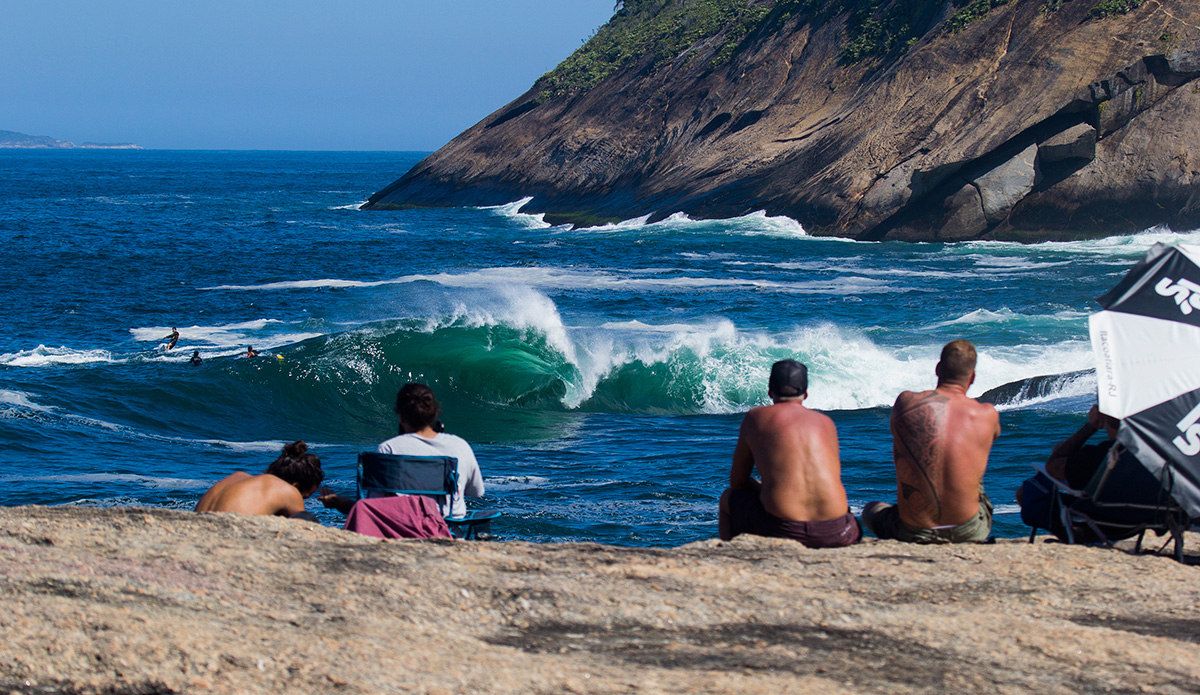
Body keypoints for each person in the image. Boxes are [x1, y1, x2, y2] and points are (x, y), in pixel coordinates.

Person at [861, 339, 1000, 543]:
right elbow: (993, 435)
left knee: (871, 510)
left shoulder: (906, 402)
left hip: (912, 531)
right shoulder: (987, 414)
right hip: (969, 531)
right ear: (972, 377)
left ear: (937, 369)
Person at [717, 359, 861, 548]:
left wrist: (766, 487)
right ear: (806, 394)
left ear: (769, 392)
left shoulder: (755, 417)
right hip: (839, 531)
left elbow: (737, 482)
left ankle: (732, 560)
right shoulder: (826, 422)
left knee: (728, 498)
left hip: (786, 531)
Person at [320, 383, 484, 518]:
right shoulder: (459, 445)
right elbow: (476, 492)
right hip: (450, 533)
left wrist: (339, 502)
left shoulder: (390, 448)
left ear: (400, 416)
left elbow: (372, 508)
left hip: (401, 534)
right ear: (435, 413)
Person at [195, 440, 324, 520]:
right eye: (304, 497)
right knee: (307, 519)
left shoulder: (236, 477)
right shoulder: (287, 490)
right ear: (295, 486)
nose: (302, 501)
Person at [1045, 403, 1118, 490]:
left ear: (1101, 416)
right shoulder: (1136, 449)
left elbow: (1052, 467)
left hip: (1104, 501)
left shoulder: (1098, 456)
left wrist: (1091, 426)